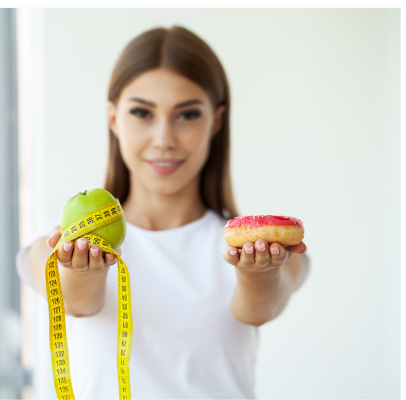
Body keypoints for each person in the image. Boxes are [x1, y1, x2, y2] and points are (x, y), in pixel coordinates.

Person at [16, 26, 308, 400]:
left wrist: (260, 275)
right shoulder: (52, 245)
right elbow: (77, 303)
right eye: (141, 112)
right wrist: (81, 270)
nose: (164, 138)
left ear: (216, 122)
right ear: (113, 119)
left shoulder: (265, 251)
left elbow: (260, 308)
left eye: (187, 115)